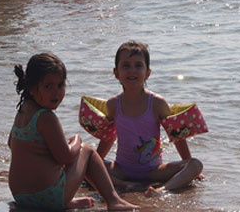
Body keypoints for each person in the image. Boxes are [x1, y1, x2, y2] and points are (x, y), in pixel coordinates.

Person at [10, 53, 137, 211]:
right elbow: (65, 157)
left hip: (21, 196)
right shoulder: (46, 117)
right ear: (32, 88)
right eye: (48, 86)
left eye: (60, 85)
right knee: (87, 151)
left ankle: (66, 200)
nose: (56, 92)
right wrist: (76, 140)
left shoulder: (23, 111)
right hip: (46, 197)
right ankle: (113, 199)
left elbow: (11, 144)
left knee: (65, 156)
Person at [95, 41, 204, 196]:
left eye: (138, 65)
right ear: (116, 73)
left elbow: (176, 136)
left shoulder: (157, 103)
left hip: (153, 171)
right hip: (122, 169)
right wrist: (95, 162)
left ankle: (163, 190)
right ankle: (124, 185)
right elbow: (108, 137)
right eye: (126, 65)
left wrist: (187, 165)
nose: (132, 70)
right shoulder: (113, 104)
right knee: (84, 158)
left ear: (148, 73)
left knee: (196, 165)